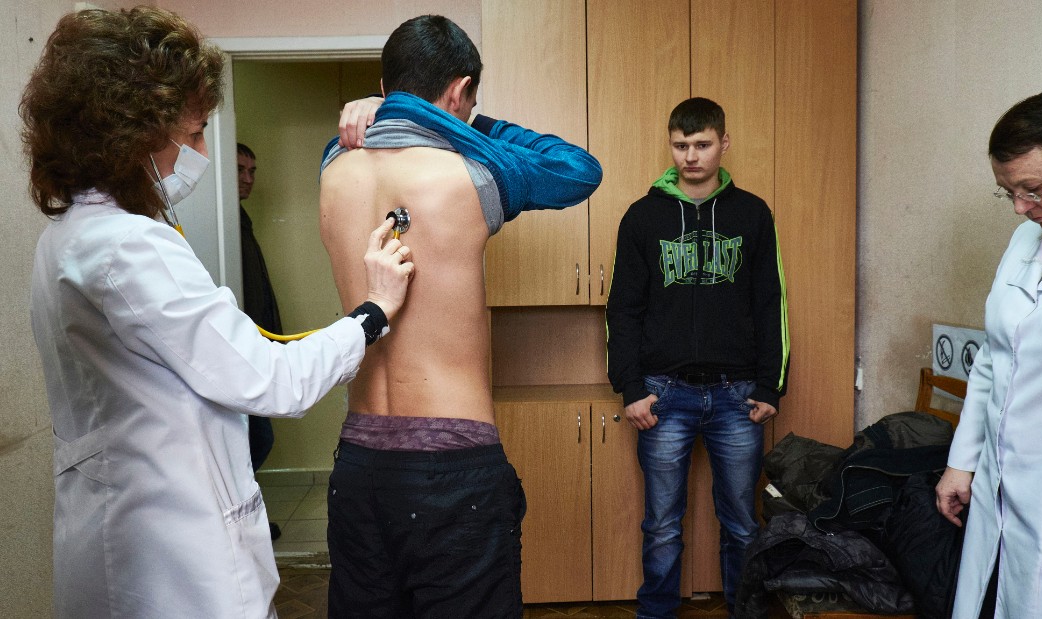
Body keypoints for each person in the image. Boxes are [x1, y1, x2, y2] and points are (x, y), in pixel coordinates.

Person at [20, 7, 413, 618]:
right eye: (197, 132)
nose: (201, 151)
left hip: (119, 534)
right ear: (135, 131)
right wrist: (373, 310)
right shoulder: (128, 247)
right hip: (174, 562)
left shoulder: (67, 238)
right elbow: (272, 380)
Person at [318, 14, 602, 618]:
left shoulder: (332, 167)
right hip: (452, 465)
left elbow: (378, 130)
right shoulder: (476, 172)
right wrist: (460, 120)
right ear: (459, 90)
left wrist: (396, 109)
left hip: (360, 461)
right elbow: (579, 170)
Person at [605, 97, 789, 618]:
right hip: (663, 394)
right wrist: (631, 387)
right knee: (661, 522)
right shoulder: (642, 217)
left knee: (741, 522)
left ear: (723, 144)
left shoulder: (752, 214)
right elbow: (623, 309)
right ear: (671, 144)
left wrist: (770, 386)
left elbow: (770, 301)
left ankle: (744, 610)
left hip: (736, 395)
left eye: (702, 145)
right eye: (681, 145)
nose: (691, 156)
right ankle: (656, 612)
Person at [935, 89, 1042, 618]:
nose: (1021, 209)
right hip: (996, 490)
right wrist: (962, 463)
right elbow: (994, 356)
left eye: (1032, 189)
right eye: (1007, 193)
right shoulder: (1025, 242)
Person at [236, 142, 281, 539]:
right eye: (239, 170)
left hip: (256, 348)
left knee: (258, 437)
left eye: (253, 171)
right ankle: (244, 523)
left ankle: (249, 521)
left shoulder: (241, 221)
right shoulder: (226, 224)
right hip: (241, 354)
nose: (248, 179)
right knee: (256, 438)